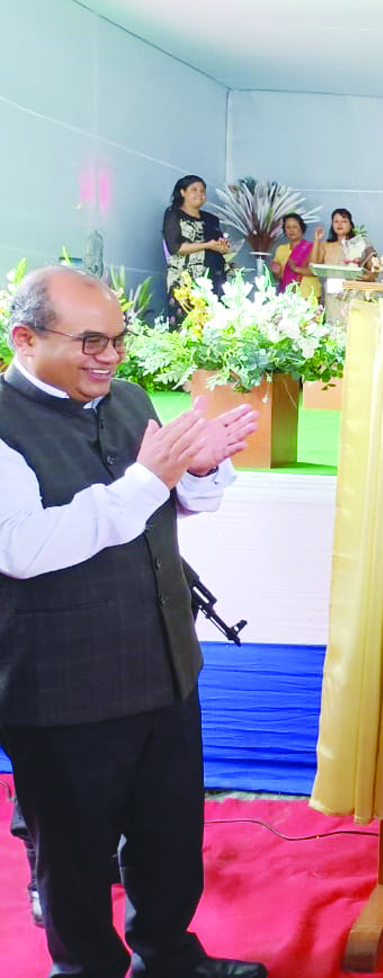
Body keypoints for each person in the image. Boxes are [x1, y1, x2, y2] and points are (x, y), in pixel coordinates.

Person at [0, 266, 266, 978]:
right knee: (76, 856)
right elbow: (23, 548)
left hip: (164, 661)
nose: (110, 356)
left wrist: (200, 469)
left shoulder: (129, 400)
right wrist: (150, 478)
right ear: (25, 338)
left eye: (118, 339)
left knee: (169, 836)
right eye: (91, 340)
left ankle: (169, 958)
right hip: (62, 688)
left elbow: (176, 505)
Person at [162, 175, 232, 323]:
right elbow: (175, 247)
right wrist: (207, 245)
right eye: (194, 189)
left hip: (213, 279)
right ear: (182, 192)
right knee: (186, 325)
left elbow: (217, 243)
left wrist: (223, 248)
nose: (199, 193)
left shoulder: (211, 219)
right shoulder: (173, 214)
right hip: (185, 281)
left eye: (202, 191)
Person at [312, 208, 376, 273]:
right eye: (336, 221)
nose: (339, 224)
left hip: (353, 282)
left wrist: (370, 276)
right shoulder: (325, 245)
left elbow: (374, 268)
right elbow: (313, 265)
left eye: (344, 221)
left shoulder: (362, 243)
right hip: (331, 282)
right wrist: (317, 240)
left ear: (351, 225)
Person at [270, 213, 317, 298]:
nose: (291, 230)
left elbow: (315, 272)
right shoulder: (280, 249)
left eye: (294, 227)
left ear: (301, 228)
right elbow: (277, 278)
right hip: (287, 296)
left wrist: (296, 269)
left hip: (308, 295)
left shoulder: (312, 248)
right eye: (288, 227)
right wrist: (276, 272)